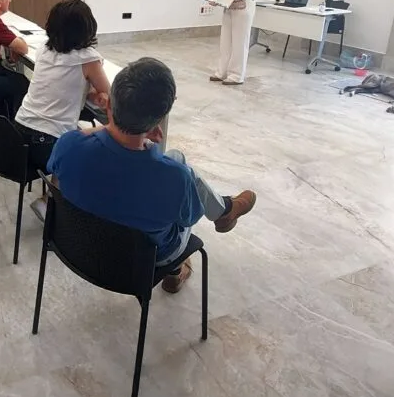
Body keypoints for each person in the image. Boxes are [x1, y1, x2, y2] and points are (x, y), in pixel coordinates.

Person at [48, 57, 257, 293]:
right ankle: (219, 217)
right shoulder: (174, 177)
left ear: (108, 107)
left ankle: (225, 211)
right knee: (182, 172)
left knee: (176, 160)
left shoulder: (68, 143)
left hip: (78, 246)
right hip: (144, 261)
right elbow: (187, 219)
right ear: (157, 124)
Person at [15, 0, 110, 181]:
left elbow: (62, 85)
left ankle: (50, 196)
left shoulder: (43, 49)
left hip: (20, 131)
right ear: (87, 28)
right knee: (101, 149)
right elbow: (111, 95)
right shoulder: (88, 59)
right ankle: (52, 199)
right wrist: (96, 94)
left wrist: (87, 93)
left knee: (75, 141)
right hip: (48, 142)